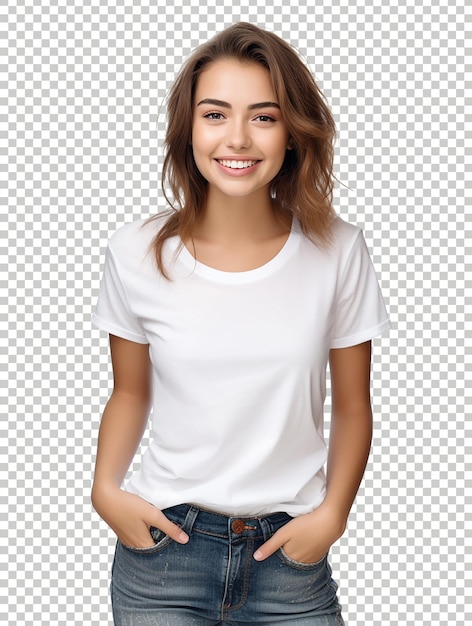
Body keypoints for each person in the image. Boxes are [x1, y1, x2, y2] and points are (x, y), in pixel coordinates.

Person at [91, 22, 390, 625]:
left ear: (291, 133)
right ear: (189, 130)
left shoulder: (338, 250)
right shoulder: (135, 251)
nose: (237, 138)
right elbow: (129, 391)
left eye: (263, 116)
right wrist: (106, 491)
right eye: (215, 114)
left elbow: (354, 406)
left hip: (289, 557)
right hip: (162, 552)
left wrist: (333, 516)